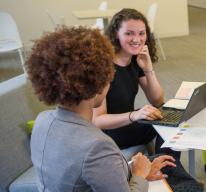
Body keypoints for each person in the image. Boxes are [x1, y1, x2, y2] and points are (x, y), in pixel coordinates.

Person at [27, 26, 176, 191]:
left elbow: (87, 170)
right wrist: (140, 175)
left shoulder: (42, 120)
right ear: (98, 84)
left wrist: (135, 170)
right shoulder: (98, 146)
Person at [92, 8, 178, 157]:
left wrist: (148, 69)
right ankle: (169, 170)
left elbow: (157, 99)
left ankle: (167, 167)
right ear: (115, 35)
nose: (137, 39)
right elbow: (97, 120)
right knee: (169, 122)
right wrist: (134, 115)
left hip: (128, 122)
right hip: (109, 133)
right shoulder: (104, 66)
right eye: (129, 33)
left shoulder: (133, 60)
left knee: (170, 113)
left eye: (141, 33)